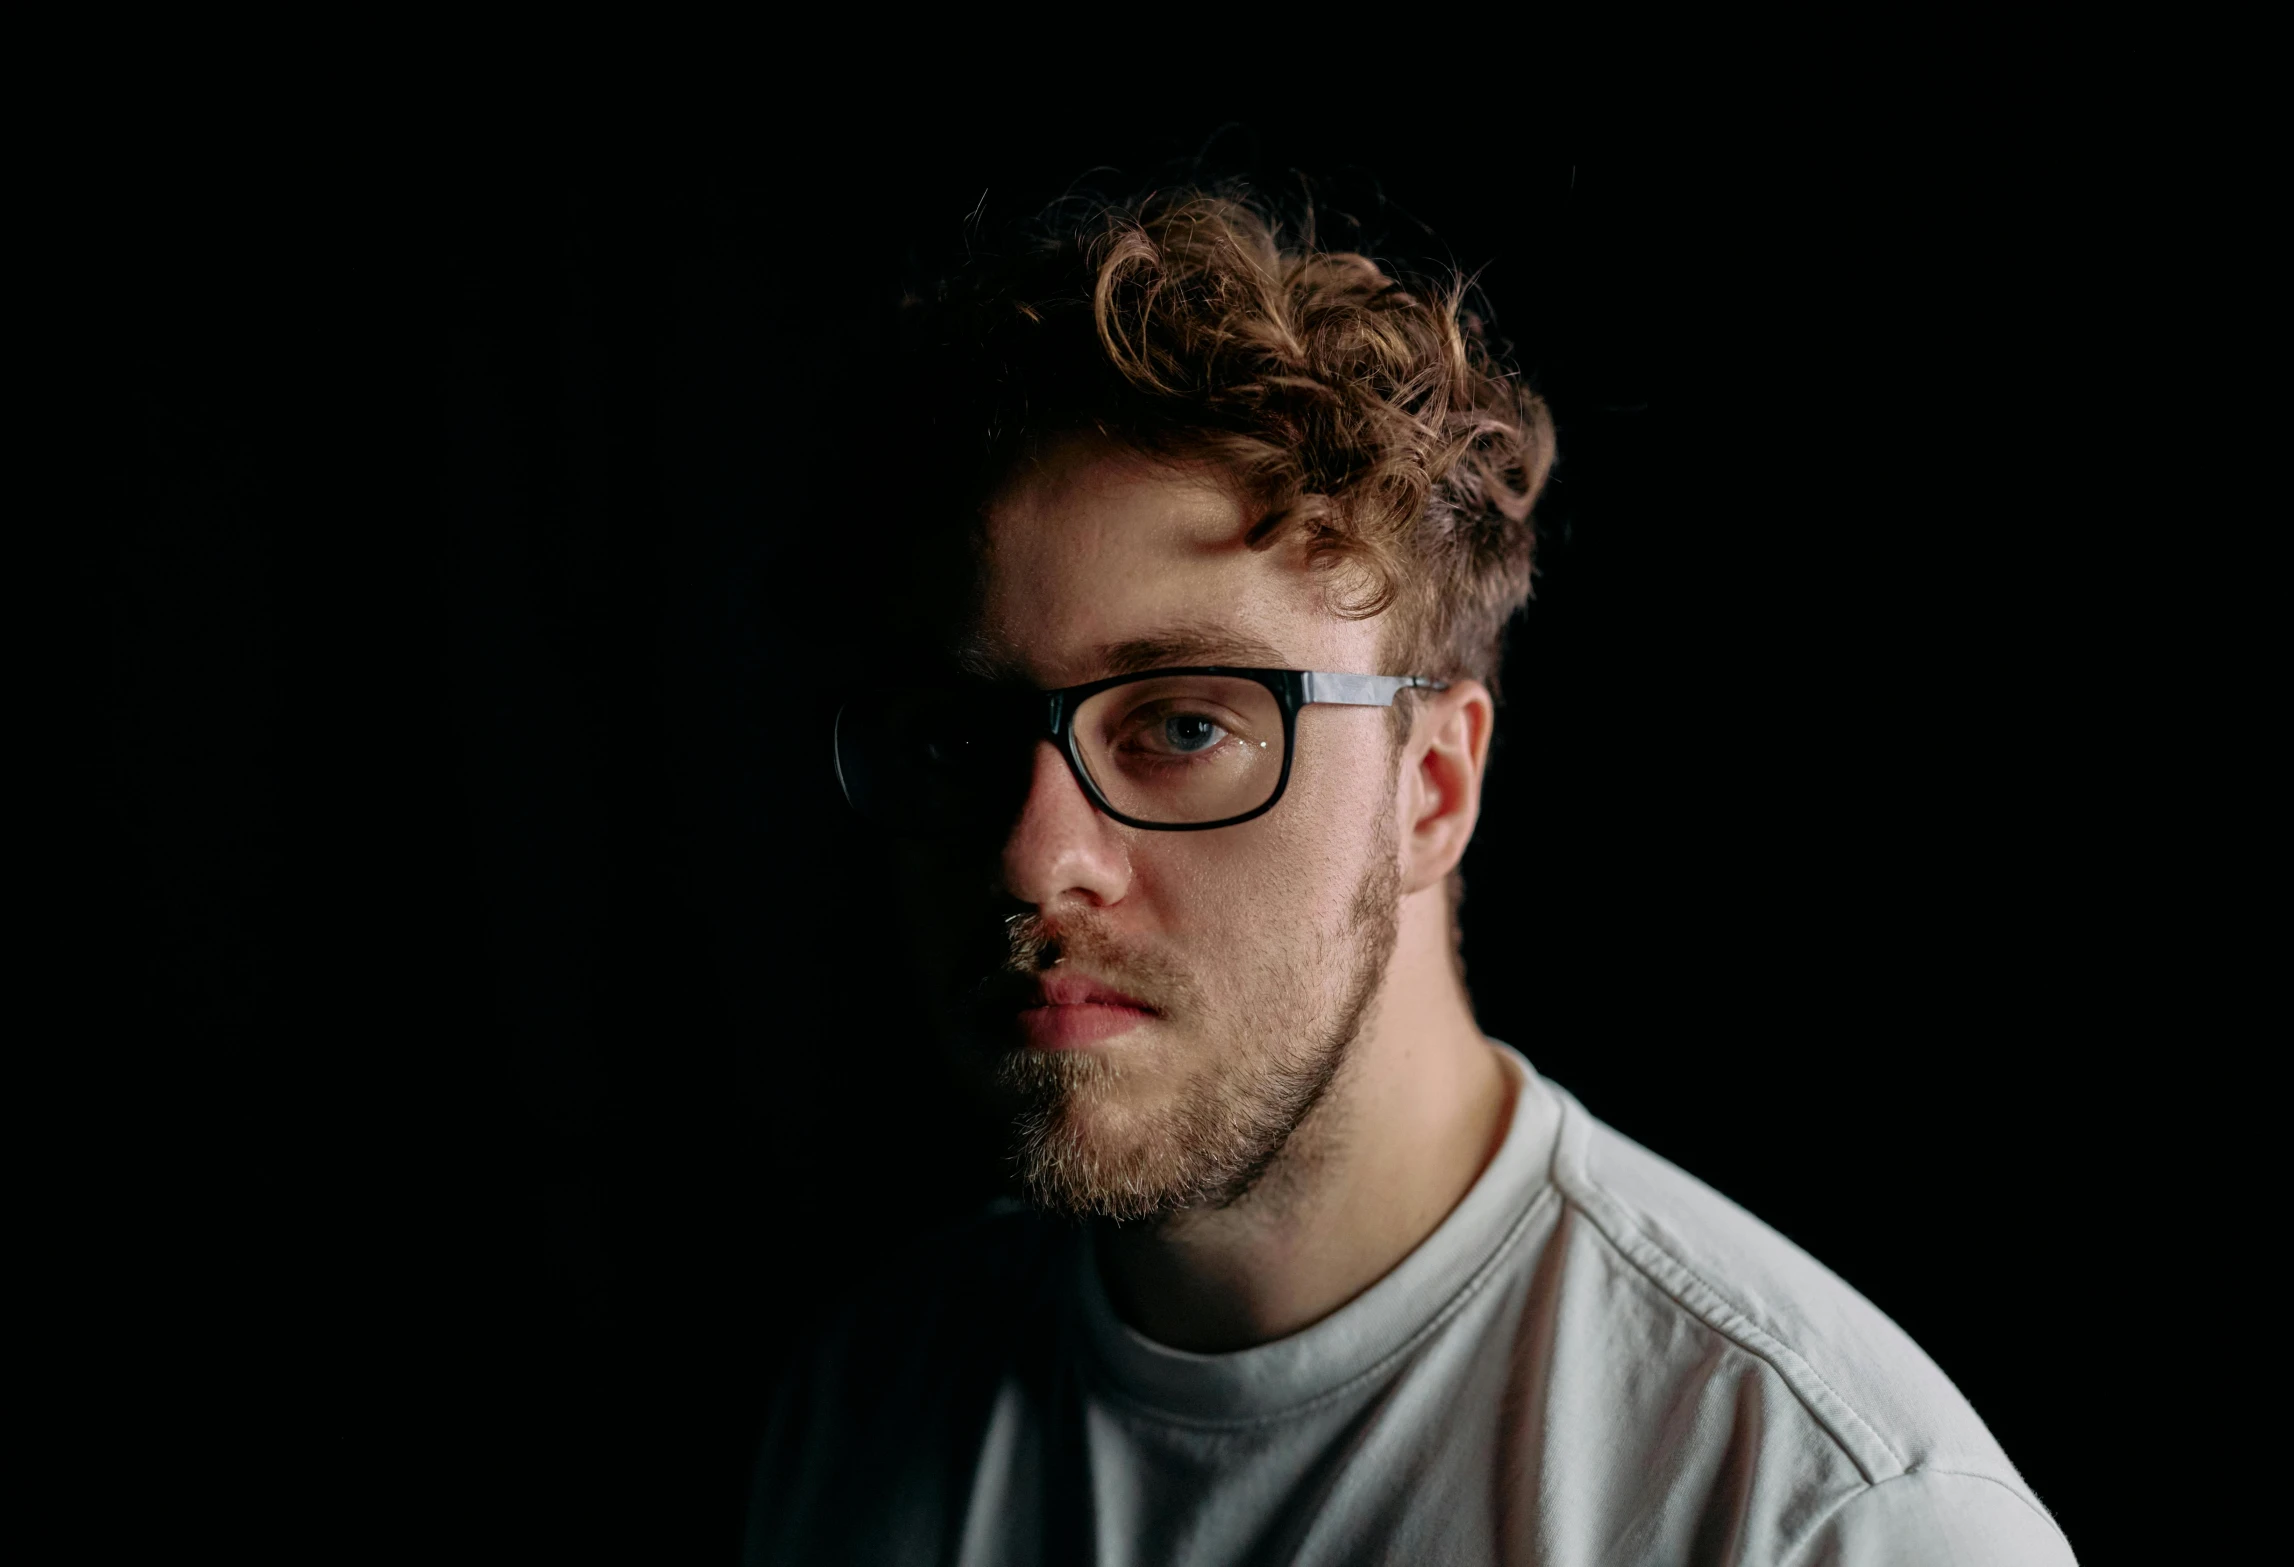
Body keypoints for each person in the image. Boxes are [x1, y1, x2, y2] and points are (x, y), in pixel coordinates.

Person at [745, 189, 2074, 1566]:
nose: (1032, 852)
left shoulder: (1817, 1512)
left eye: (1185, 725)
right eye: (960, 734)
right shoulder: (870, 1394)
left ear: (1432, 785)